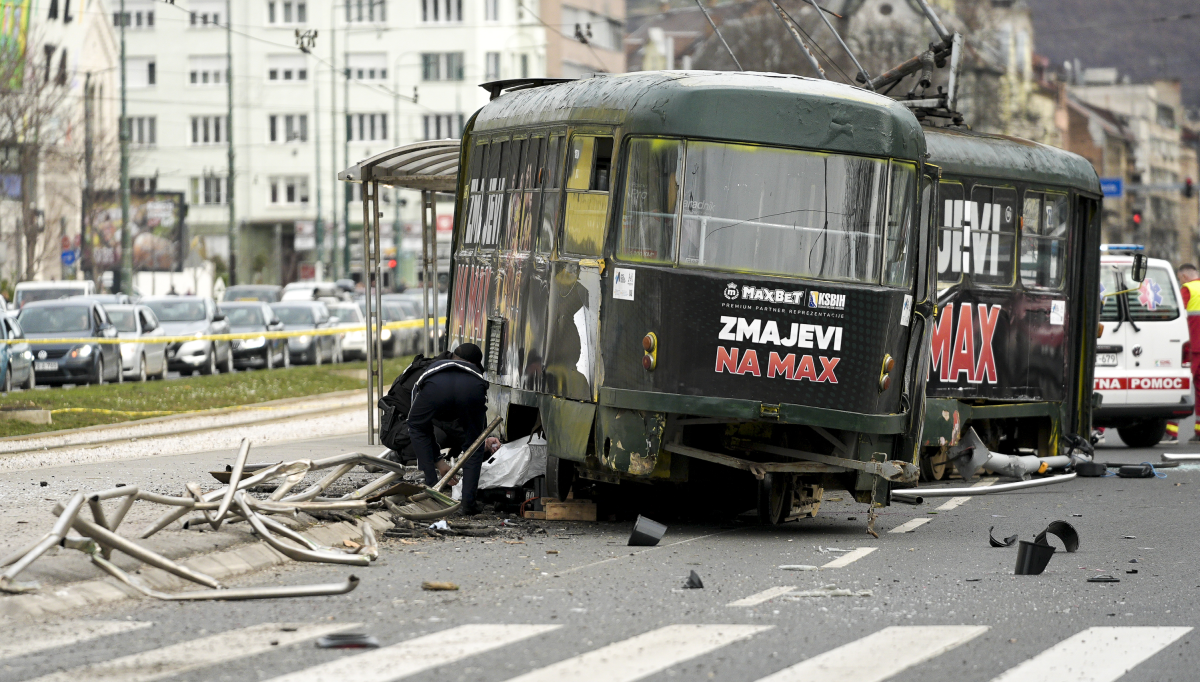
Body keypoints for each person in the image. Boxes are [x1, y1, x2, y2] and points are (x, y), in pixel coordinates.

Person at [407, 343, 498, 514]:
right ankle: (468, 504)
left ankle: (431, 487)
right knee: (475, 444)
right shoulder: (475, 374)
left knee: (418, 427)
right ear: (475, 364)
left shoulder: (433, 368)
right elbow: (476, 424)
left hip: (435, 389)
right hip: (471, 389)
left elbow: (416, 422)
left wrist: (438, 461)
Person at [1175, 263, 1200, 443]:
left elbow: (1175, 315)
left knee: (1178, 387)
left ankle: (1171, 432)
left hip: (1194, 348)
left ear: (1183, 277)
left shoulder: (1187, 289)